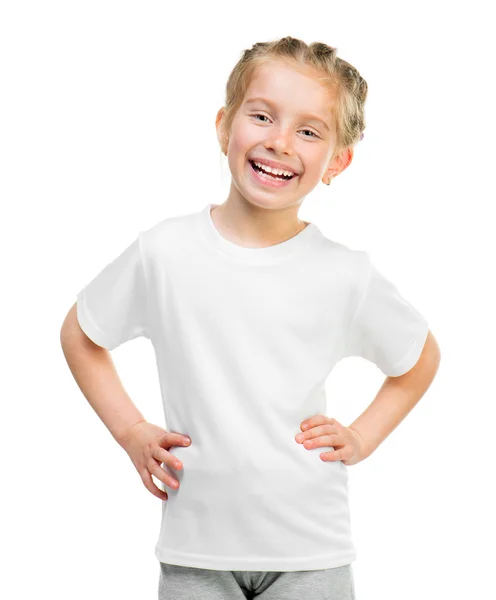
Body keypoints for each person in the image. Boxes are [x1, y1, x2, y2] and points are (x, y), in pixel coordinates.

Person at [60, 36, 441, 600]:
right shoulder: (164, 252)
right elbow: (81, 334)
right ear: (224, 126)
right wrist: (131, 431)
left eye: (309, 131)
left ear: (337, 160)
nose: (280, 142)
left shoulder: (345, 275)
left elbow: (419, 358)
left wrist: (361, 437)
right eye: (262, 116)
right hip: (195, 553)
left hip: (311, 552)